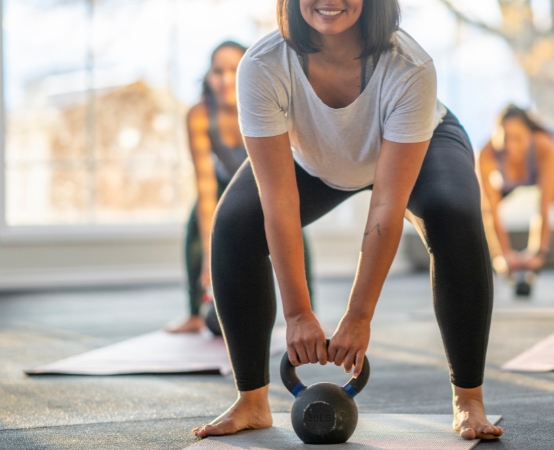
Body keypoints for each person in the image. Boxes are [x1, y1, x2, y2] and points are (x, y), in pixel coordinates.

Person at [192, 0, 503, 441]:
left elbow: (386, 207)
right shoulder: (263, 65)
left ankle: (468, 399)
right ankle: (252, 400)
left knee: (454, 215)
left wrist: (359, 315)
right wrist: (297, 313)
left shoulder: (409, 66)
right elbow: (278, 201)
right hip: (314, 157)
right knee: (235, 225)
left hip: (418, 148)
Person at [166, 40, 315, 334]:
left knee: (293, 224)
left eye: (233, 70)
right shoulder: (199, 115)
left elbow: (284, 170)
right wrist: (210, 254)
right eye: (217, 71)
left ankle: (309, 313)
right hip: (223, 185)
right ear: (208, 77)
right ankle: (196, 312)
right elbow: (206, 187)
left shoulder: (266, 104)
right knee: (196, 225)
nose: (224, 79)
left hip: (267, 180)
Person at [478, 105, 554, 288]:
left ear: (529, 136)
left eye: (518, 139)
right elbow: (490, 209)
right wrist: (503, 254)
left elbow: (544, 208)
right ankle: (485, 272)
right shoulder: (487, 153)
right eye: (505, 139)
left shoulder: (545, 146)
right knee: (475, 208)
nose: (511, 147)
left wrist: (537, 253)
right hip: (516, 177)